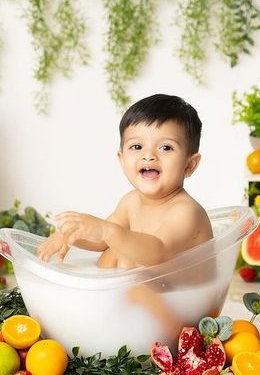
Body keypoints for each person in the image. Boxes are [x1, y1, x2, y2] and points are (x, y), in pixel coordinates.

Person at [37, 93, 213, 268]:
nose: (149, 156)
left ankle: (110, 293)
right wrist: (72, 233)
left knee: (124, 255)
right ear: (122, 160)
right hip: (151, 289)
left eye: (166, 147)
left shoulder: (187, 211)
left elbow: (159, 252)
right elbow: (102, 242)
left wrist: (106, 230)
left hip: (186, 293)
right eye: (137, 146)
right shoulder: (131, 201)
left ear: (189, 165)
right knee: (115, 251)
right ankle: (104, 292)